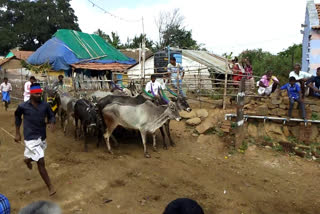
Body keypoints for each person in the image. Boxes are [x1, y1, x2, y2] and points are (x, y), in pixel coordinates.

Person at [14, 83, 56, 196]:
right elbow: (17, 116)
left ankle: (28, 160)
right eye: (36, 93)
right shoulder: (23, 106)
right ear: (31, 94)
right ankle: (50, 186)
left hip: (42, 136)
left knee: (37, 155)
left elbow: (52, 115)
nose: (39, 95)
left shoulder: (45, 105)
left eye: (40, 93)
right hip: (30, 136)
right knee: (41, 161)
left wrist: (52, 122)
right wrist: (17, 133)